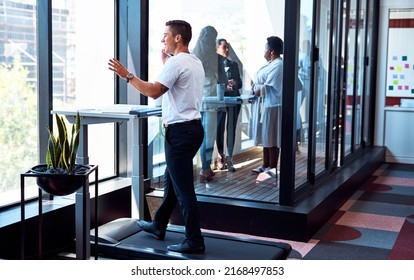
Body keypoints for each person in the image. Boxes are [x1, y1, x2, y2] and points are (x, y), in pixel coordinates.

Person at [108, 20, 206, 254]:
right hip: (192, 130)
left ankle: (194, 240)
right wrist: (166, 64)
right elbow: (178, 88)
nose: (162, 40)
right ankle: (159, 224)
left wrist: (127, 75)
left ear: (178, 38)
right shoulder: (193, 61)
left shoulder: (177, 63)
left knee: (184, 191)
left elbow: (153, 92)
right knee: (172, 182)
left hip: (181, 133)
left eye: (165, 35)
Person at [250, 36, 283, 175]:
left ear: (271, 51)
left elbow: (266, 87)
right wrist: (256, 87)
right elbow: (257, 82)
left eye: (265, 48)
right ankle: (265, 165)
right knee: (265, 135)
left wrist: (257, 88)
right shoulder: (270, 63)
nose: (263, 51)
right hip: (265, 105)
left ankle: (272, 167)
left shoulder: (279, 65)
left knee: (272, 136)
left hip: (273, 105)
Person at [192, 26, 219, 183]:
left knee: (199, 135)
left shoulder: (195, 54)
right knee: (208, 137)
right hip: (211, 99)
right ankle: (205, 170)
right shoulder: (212, 56)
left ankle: (204, 168)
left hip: (197, 100)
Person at [215, 38, 242, 172]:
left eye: (227, 47)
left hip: (233, 100)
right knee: (219, 129)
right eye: (224, 47)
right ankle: (220, 156)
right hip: (220, 101)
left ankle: (230, 158)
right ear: (217, 48)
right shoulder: (213, 65)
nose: (226, 50)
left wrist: (235, 83)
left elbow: (240, 83)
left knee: (231, 129)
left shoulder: (234, 64)